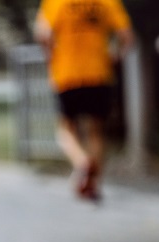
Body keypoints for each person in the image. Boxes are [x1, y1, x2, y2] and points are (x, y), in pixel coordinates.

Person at [35, 0, 133, 201]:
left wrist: (51, 57)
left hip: (66, 73)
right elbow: (126, 36)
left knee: (66, 128)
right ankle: (93, 184)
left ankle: (82, 163)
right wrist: (116, 57)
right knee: (95, 131)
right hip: (99, 72)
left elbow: (43, 34)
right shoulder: (108, 2)